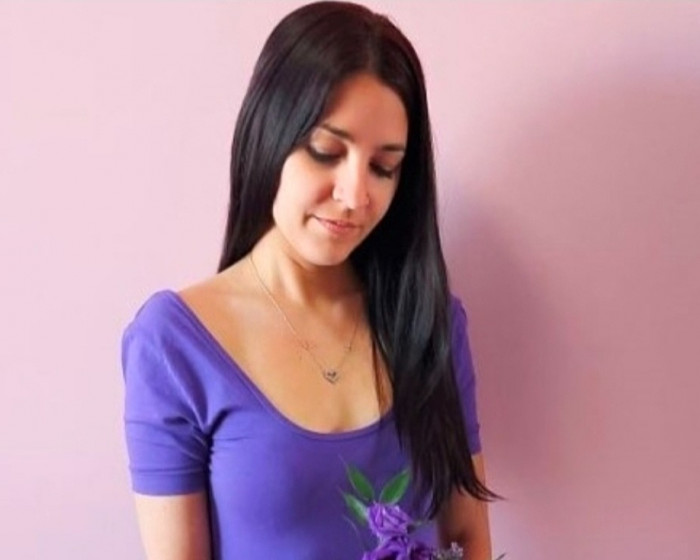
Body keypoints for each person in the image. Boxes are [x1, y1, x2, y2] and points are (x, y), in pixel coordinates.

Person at [121, 2, 498, 559]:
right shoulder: (173, 345)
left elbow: (468, 536)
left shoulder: (430, 324)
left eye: (383, 167)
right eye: (326, 152)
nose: (355, 195)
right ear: (270, 135)